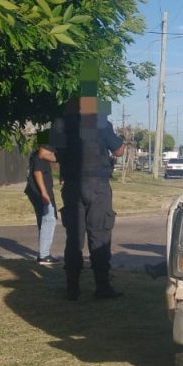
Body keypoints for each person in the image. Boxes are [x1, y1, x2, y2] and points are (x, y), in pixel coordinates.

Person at [56, 107, 127, 301]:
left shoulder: (60, 122)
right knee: (100, 235)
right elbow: (119, 151)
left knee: (73, 238)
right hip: (97, 186)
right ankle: (102, 286)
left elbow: (50, 152)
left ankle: (72, 288)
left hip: (71, 185)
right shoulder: (99, 121)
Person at [25, 142, 60, 265]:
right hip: (40, 193)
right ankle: (44, 255)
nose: (53, 155)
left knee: (44, 220)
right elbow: (37, 173)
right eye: (51, 152)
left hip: (37, 192)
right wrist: (44, 193)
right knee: (49, 219)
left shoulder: (38, 156)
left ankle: (43, 253)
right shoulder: (39, 157)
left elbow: (55, 158)